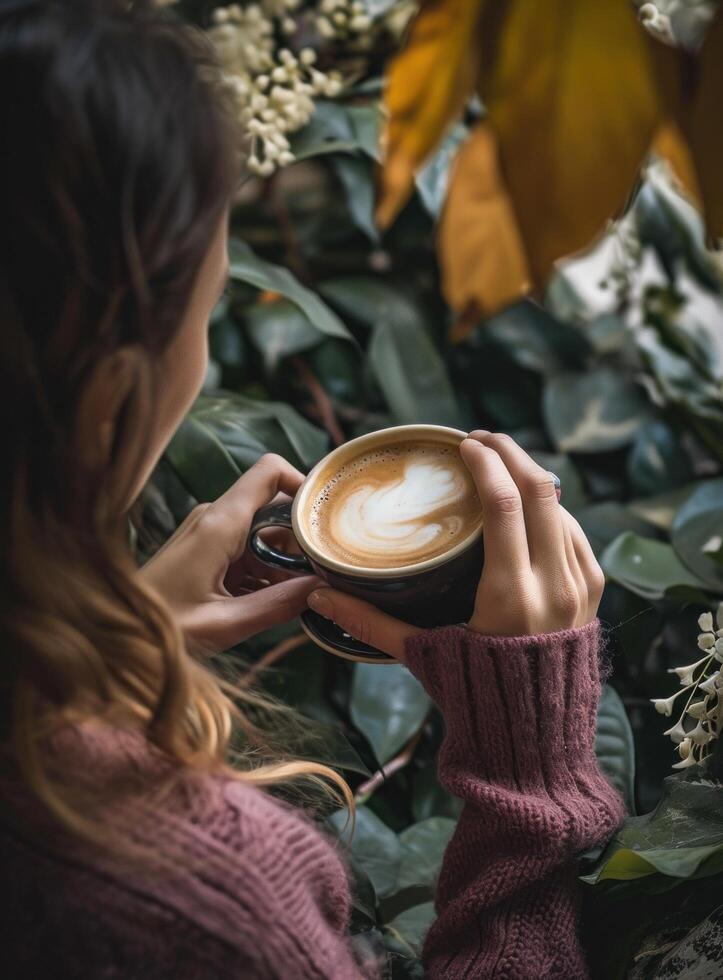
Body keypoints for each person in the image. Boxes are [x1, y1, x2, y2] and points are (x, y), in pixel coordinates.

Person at [0, 1, 623, 977]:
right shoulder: (198, 904)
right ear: (109, 401)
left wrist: (84, 677)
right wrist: (530, 777)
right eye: (205, 311)